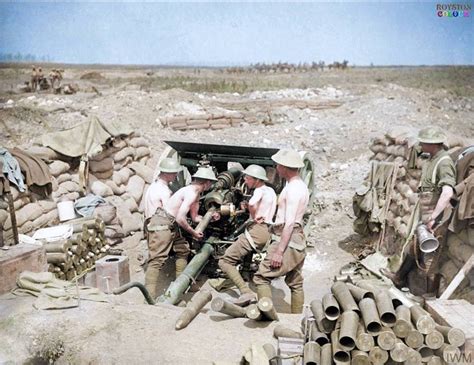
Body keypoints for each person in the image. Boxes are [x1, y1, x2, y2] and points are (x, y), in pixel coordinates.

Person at [381, 126, 456, 296]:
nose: (421, 145)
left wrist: (434, 218)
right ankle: (400, 278)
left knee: (430, 258)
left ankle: (428, 295)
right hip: (427, 212)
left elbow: (447, 192)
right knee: (413, 248)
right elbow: (414, 152)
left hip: (437, 216)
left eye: (425, 143)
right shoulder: (432, 158)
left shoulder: (444, 162)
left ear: (434, 145)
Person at [144, 166, 218, 299]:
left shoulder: (196, 193)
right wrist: (193, 232)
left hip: (172, 224)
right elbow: (180, 218)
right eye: (211, 183)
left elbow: (195, 218)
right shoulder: (190, 192)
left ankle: (181, 285)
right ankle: (148, 297)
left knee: (183, 249)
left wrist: (210, 216)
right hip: (162, 223)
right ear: (207, 183)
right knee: (157, 260)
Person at [253, 149, 310, 313]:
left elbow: (290, 222)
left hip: (287, 239)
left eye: (278, 164)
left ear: (285, 167)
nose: (276, 167)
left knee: (261, 277)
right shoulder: (301, 187)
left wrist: (279, 251)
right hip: (297, 239)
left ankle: (267, 316)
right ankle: (296, 319)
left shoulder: (293, 189)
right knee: (295, 282)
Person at [218, 164, 277, 305]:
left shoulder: (259, 190)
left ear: (256, 180)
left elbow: (252, 203)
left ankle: (246, 292)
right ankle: (242, 275)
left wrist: (253, 215)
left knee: (225, 261)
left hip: (257, 230)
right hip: (267, 230)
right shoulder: (271, 191)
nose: (245, 180)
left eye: (248, 178)